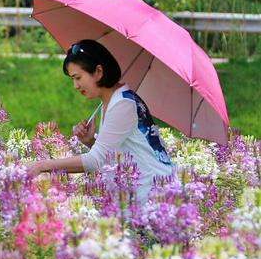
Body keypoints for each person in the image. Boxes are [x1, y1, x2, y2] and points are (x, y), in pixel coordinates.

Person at [26, 39, 175, 203]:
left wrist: (43, 166)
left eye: (77, 77)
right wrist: (91, 142)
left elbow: (95, 161)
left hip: (156, 198)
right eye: (72, 79)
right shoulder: (113, 100)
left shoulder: (122, 104)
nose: (75, 85)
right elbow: (114, 155)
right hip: (143, 196)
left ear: (98, 71)